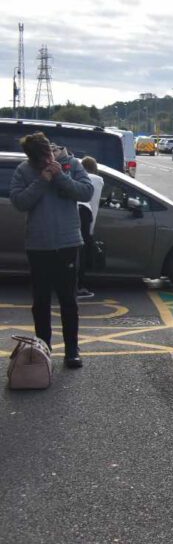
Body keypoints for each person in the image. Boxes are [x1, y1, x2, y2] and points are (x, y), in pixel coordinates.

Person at [8, 132, 95, 369]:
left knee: (68, 300)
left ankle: (72, 350)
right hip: (38, 245)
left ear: (51, 148)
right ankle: (43, 348)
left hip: (68, 243)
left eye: (48, 154)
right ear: (32, 158)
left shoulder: (71, 164)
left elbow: (86, 192)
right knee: (41, 301)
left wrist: (60, 177)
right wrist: (42, 179)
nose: (47, 160)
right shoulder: (24, 171)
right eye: (41, 158)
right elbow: (19, 202)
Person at [76, 156, 104, 299]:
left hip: (74, 214)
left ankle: (75, 284)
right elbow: (95, 204)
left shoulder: (77, 177)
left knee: (75, 252)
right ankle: (79, 287)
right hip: (85, 215)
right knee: (82, 253)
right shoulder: (98, 180)